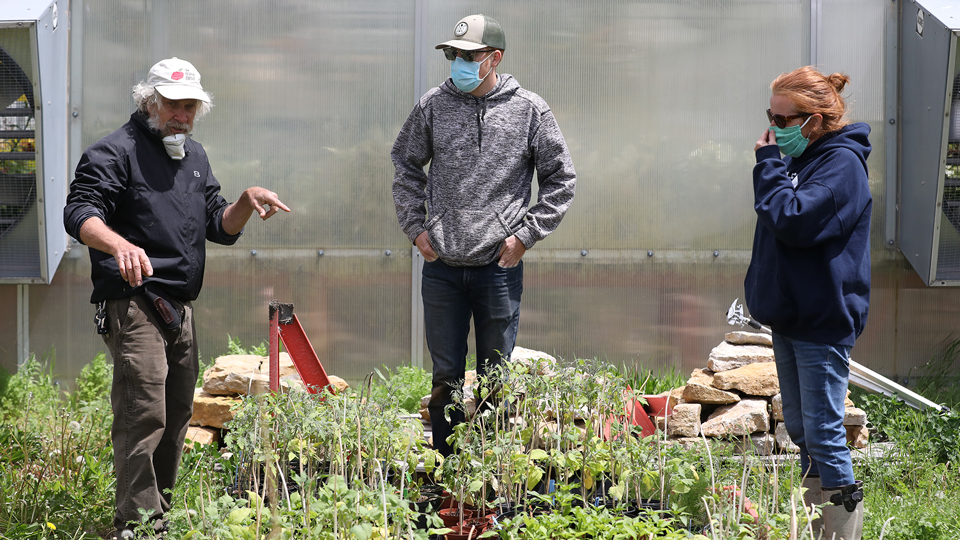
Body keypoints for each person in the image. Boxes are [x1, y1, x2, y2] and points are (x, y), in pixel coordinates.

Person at [63, 57, 290, 538]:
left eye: (190, 107)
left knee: (177, 411)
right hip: (133, 300)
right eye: (173, 105)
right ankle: (137, 526)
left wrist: (244, 203)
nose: (181, 115)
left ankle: (155, 514)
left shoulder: (195, 157)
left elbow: (217, 225)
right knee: (143, 411)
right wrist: (119, 244)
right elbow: (80, 212)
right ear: (150, 102)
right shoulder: (114, 152)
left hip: (179, 306)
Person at [391, 14, 576, 456]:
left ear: (495, 58)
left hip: (498, 266)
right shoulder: (433, 105)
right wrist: (415, 227)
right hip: (443, 267)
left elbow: (561, 179)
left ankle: (488, 474)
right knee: (446, 375)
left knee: (495, 377)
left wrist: (526, 235)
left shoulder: (529, 109)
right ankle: (446, 467)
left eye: (469, 55)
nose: (458, 62)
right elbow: (405, 165)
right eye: (453, 54)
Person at [745, 66, 871, 540]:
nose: (773, 129)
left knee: (824, 433)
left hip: (821, 319)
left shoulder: (842, 166)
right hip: (793, 316)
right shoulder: (805, 159)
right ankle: (819, 528)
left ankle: (842, 534)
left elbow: (792, 219)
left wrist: (768, 164)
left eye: (782, 119)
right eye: (770, 116)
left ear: (814, 121)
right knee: (802, 428)